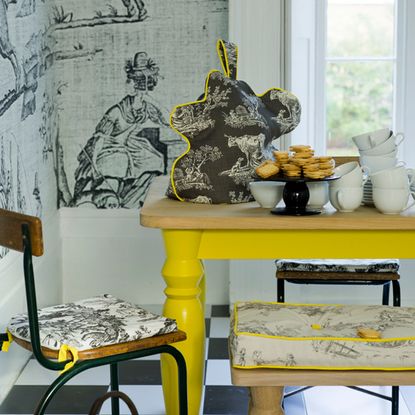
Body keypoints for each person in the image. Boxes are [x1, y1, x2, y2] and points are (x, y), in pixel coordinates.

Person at [74, 51, 170, 208]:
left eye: (144, 82)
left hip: (131, 146)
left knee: (156, 160)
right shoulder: (116, 111)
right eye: (137, 81)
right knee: (119, 161)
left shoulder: (147, 107)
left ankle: (131, 202)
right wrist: (94, 164)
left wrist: (156, 104)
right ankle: (109, 199)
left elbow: (165, 121)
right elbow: (100, 139)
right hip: (108, 147)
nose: (140, 88)